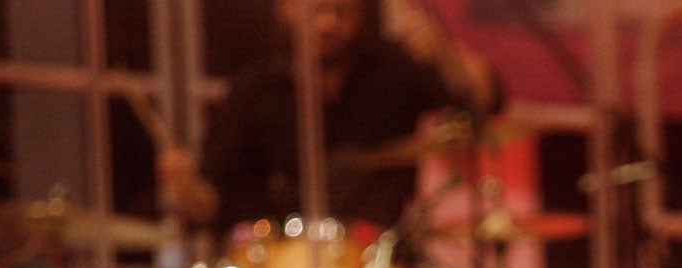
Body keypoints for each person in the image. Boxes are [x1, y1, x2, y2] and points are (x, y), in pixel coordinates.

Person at [156, 0, 498, 233]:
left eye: (340, 10)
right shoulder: (254, 89)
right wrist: (186, 186)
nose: (328, 23)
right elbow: (212, 202)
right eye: (316, 8)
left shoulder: (393, 68)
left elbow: (486, 102)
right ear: (286, 8)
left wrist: (442, 50)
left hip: (385, 259)